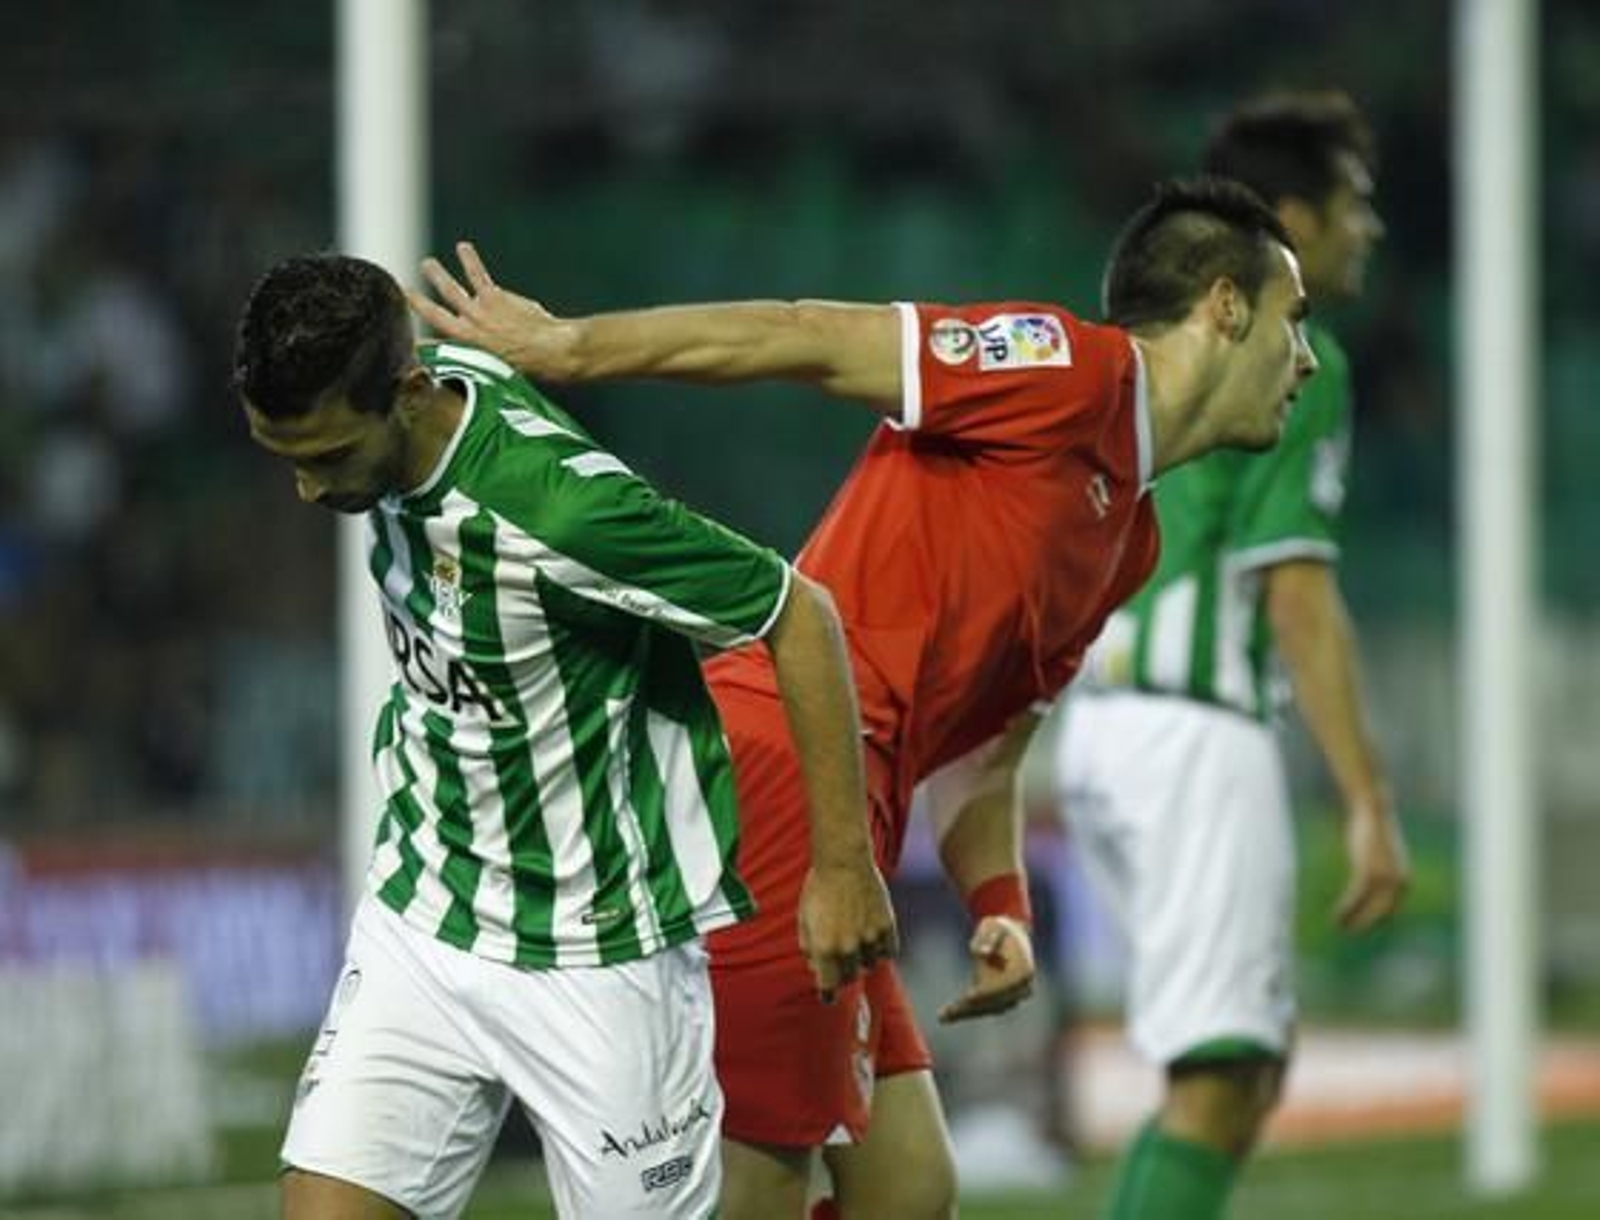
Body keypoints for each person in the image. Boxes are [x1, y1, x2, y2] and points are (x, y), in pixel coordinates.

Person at [410, 175, 1317, 1219]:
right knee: (760, 1180)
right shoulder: (1068, 369)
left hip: (848, 814)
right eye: (1294, 322)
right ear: (1225, 305)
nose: (1301, 361)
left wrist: (1000, 903)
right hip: (779, 770)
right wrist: (572, 350)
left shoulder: (1130, 537)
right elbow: (805, 334)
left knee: (909, 1186)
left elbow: (991, 752)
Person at [232, 252, 897, 1219]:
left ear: (410, 395)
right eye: (284, 455)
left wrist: (843, 866)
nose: (306, 488)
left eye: (329, 457)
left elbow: (800, 616)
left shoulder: (561, 513)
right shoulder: (445, 388)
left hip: (600, 954)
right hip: (429, 911)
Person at [1051, 92, 1412, 1220]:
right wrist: (1366, 796)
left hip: (1106, 719)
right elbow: (1294, 586)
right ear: (1293, 218)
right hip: (1193, 731)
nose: (1373, 228)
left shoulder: (1144, 341)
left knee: (1233, 1069)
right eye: (1355, 203)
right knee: (1218, 1078)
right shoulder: (1294, 357)